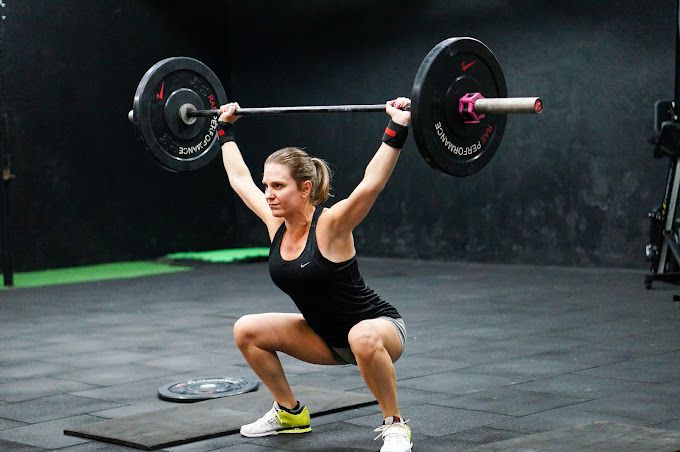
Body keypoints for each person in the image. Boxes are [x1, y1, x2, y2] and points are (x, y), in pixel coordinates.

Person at [217, 97, 413, 452]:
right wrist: (224, 130)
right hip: (325, 338)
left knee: (361, 335)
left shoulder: (332, 224)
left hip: (379, 331)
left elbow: (371, 184)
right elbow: (239, 180)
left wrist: (396, 127)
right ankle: (289, 413)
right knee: (246, 329)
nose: (268, 194)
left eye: (278, 186)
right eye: (267, 185)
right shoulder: (275, 223)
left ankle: (395, 425)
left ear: (306, 188)